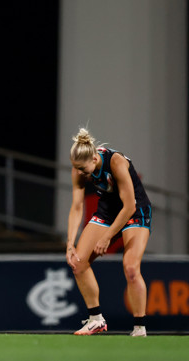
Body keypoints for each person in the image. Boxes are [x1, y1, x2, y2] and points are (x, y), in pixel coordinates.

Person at [66, 128, 151, 337]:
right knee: (78, 262)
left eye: (83, 170)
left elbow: (129, 206)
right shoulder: (78, 168)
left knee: (131, 268)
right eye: (76, 169)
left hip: (135, 210)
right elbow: (77, 207)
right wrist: (69, 243)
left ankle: (139, 328)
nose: (80, 174)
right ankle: (96, 320)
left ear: (94, 159)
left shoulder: (116, 162)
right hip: (108, 212)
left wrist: (106, 237)